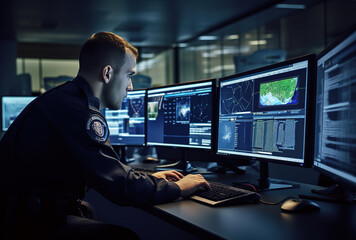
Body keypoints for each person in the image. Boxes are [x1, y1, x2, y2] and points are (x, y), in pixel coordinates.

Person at [0, 32, 210, 239]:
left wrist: (72, 204)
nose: (130, 86)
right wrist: (177, 188)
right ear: (107, 73)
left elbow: (76, 169)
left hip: (21, 216)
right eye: (129, 75)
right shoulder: (82, 112)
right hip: (28, 225)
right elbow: (120, 187)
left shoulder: (65, 98)